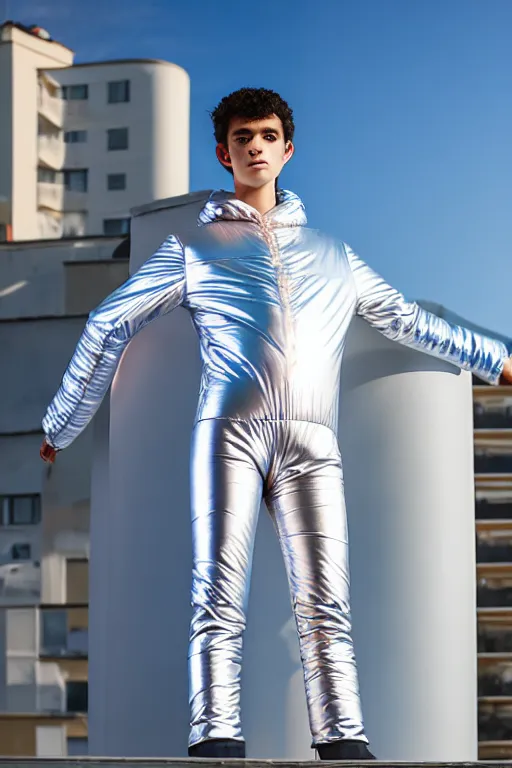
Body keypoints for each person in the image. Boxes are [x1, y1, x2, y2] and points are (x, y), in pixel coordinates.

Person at [40, 87, 512, 761]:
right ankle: (214, 740)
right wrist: (63, 423)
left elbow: (406, 319)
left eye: (266, 136)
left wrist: (496, 360)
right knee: (218, 595)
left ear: (287, 150)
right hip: (229, 434)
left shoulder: (333, 254)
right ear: (223, 153)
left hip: (314, 442)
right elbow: (110, 321)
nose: (254, 147)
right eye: (241, 138)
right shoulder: (195, 248)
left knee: (325, 602)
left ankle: (344, 738)